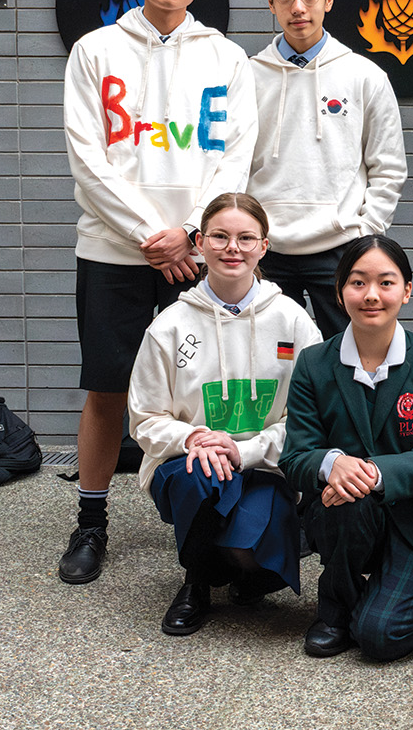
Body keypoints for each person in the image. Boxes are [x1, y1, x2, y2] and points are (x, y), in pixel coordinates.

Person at [59, 0, 258, 585]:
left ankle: (206, 524)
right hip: (115, 252)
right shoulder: (95, 52)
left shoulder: (226, 59)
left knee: (202, 392)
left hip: (197, 257)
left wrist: (193, 238)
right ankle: (91, 523)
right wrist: (154, 236)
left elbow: (235, 160)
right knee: (108, 388)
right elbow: (88, 161)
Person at [127, 193, 322, 635]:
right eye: (219, 236)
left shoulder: (295, 323)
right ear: (199, 242)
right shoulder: (169, 325)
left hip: (264, 467)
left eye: (245, 238)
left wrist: (243, 449)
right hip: (189, 467)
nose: (232, 248)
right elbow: (144, 418)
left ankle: (240, 565)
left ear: (263, 247)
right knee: (204, 474)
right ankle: (195, 581)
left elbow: (308, 421)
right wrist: (194, 439)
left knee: (255, 562)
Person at [278, 235, 413, 660]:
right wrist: (332, 464)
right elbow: (295, 455)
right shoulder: (313, 362)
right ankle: (335, 608)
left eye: (386, 282)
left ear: (407, 291)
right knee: (348, 498)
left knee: (380, 637)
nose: (372, 295)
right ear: (340, 292)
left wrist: (371, 472)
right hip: (342, 513)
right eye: (358, 283)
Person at [248, 0, 408, 339]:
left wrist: (365, 233)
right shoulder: (247, 75)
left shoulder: (363, 75)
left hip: (340, 246)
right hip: (268, 250)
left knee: (349, 356)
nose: (297, 8)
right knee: (268, 360)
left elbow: (387, 166)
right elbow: (233, 163)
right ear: (270, 2)